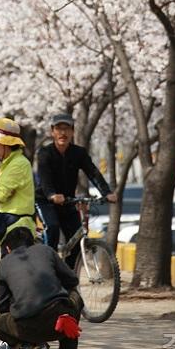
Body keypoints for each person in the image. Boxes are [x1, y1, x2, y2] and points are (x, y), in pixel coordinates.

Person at [0, 227, 83, 349]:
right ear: (32, 242)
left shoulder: (3, 264)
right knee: (75, 296)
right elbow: (72, 280)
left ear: (8, 248)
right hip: (61, 322)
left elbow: (1, 306)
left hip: (26, 327)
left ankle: (26, 347)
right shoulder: (46, 250)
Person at [36, 113, 117, 268]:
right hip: (46, 201)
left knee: (76, 237)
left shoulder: (78, 153)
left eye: (66, 129)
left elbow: (93, 172)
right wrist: (51, 195)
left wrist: (106, 192)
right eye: (58, 129)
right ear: (52, 132)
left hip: (68, 201)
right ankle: (46, 267)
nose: (63, 133)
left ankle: (69, 280)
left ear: (73, 132)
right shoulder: (45, 153)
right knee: (52, 227)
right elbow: (44, 178)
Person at [0, 117, 36, 245]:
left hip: (18, 231)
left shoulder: (17, 164)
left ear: (6, 143)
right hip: (11, 229)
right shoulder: (8, 163)